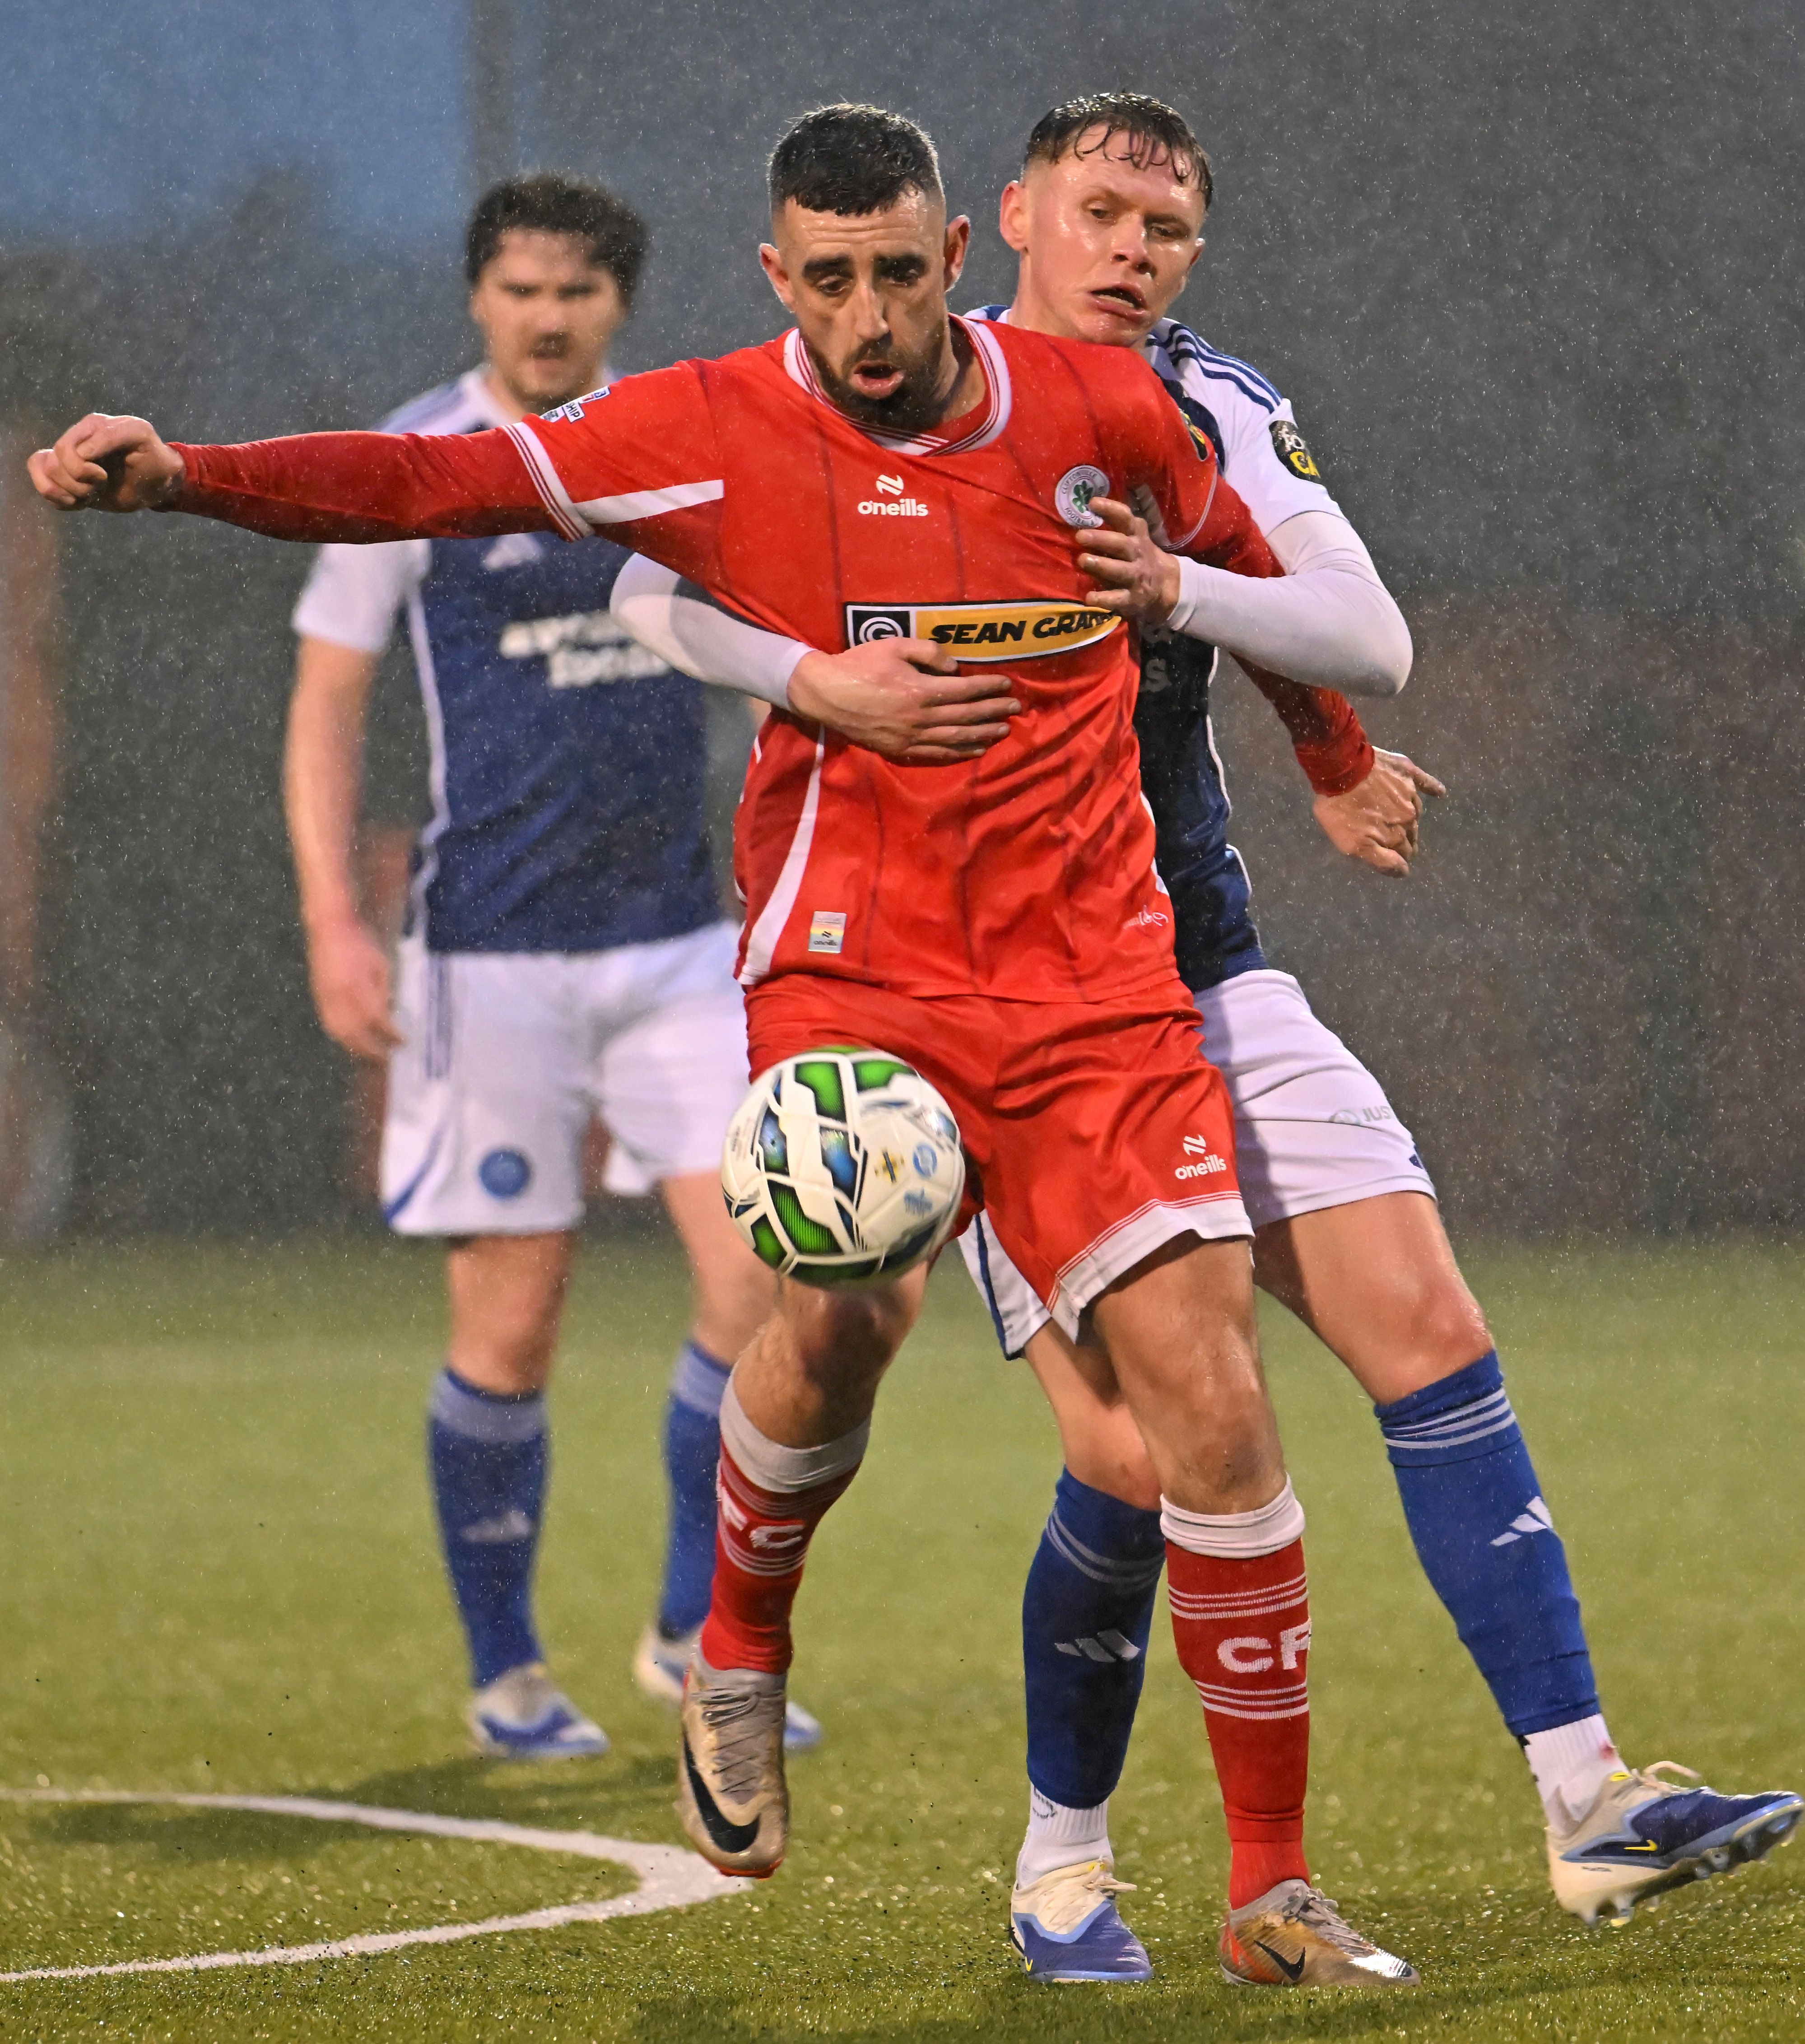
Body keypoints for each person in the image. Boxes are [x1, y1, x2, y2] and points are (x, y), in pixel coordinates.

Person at [28, 105, 1422, 1988]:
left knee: (1219, 1407)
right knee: (843, 1319)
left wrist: (1337, 764)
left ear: (954, 261)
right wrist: (189, 473)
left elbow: (1263, 600)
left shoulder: (1098, 408)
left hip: (1100, 982)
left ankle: (1270, 1886)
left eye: (898, 274)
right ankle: (738, 1650)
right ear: (780, 277)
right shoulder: (704, 426)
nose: (867, 315)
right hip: (858, 976)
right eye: (828, 279)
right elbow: (428, 483)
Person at [618, 94, 1804, 1984]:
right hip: (1003, 989)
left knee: (1423, 1328)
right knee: (1122, 1456)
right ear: (1004, 220)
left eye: (1162, 226)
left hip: (1204, 963)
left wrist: (1315, 744)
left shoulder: (1208, 401)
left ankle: (1584, 1796)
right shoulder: (881, 390)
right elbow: (648, 585)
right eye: (1094, 212)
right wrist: (817, 673)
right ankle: (1065, 1866)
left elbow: (1330, 617)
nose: (1127, 250)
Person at [284, 171, 819, 1759]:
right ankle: (510, 1671)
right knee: (513, 1329)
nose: (547, 315)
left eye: (577, 290)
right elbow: (325, 705)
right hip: (488, 959)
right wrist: (333, 918)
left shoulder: (673, 447)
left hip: (678, 945)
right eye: (520, 288)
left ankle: (687, 1634)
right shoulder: (422, 464)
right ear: (479, 299)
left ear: (617, 307)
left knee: (764, 1287)